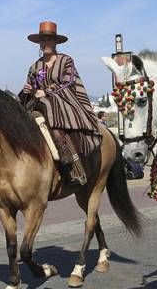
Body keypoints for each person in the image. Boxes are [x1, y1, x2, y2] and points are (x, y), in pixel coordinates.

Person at [19, 21, 102, 187]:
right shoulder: (34, 66)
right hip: (38, 102)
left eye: (49, 40)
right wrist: (29, 89)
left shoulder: (66, 61)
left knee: (50, 109)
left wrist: (46, 92)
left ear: (56, 42)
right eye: (43, 40)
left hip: (64, 101)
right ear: (39, 44)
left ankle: (71, 166)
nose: (46, 43)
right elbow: (32, 86)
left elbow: (68, 83)